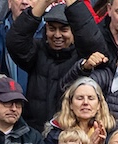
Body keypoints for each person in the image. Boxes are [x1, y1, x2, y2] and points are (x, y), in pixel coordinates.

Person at [6, 0, 106, 132]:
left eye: (64, 29)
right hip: (35, 133)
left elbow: (94, 44)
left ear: (73, 32)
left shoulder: (82, 56)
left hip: (71, 135)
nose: (57, 35)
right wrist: (43, 3)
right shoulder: (37, 50)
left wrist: (73, 4)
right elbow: (15, 40)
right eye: (52, 29)